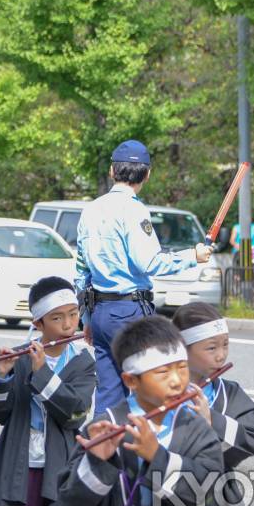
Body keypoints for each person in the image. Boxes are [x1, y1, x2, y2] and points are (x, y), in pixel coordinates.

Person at [75, 140, 212, 413]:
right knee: (148, 388)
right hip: (129, 311)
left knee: (109, 394)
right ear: (147, 174)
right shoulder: (135, 210)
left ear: (112, 171)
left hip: (101, 311)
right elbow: (149, 262)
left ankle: (102, 452)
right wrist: (192, 256)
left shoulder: (90, 210)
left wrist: (87, 318)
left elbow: (81, 271)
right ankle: (145, 450)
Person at [58, 317, 223, 506]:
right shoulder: (106, 427)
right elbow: (76, 502)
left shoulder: (195, 428)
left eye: (182, 368)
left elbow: (205, 494)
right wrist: (97, 462)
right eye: (163, 372)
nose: (177, 380)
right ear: (131, 380)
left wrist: (156, 456)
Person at [0, 276, 95, 506]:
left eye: (72, 314)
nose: (68, 324)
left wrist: (41, 372)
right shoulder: (20, 357)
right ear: (38, 323)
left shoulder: (83, 361)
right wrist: (0, 376)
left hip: (64, 461)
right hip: (20, 461)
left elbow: (75, 414)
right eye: (57, 318)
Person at [172, 303, 254, 506]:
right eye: (211, 348)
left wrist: (212, 420)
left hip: (219, 502)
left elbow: (249, 440)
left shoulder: (229, 393)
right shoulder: (158, 392)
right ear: (182, 348)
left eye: (225, 345)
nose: (221, 355)